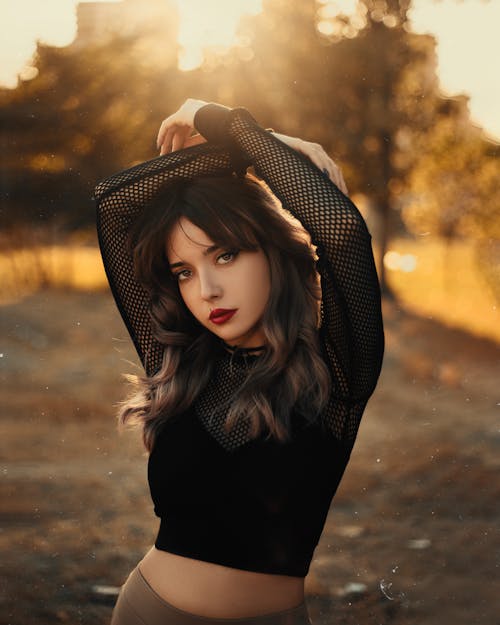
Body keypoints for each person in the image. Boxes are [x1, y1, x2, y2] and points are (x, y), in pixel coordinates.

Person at [94, 99, 385, 625]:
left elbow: (339, 230)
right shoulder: (179, 359)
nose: (206, 289)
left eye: (226, 254)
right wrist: (248, 147)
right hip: (146, 612)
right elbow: (113, 203)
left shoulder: (337, 372)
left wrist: (221, 122)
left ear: (273, 251)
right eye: (183, 270)